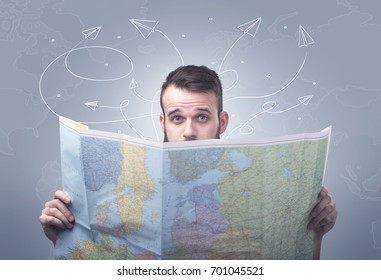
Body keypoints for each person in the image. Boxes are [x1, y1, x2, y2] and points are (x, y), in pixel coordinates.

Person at [40, 65, 338, 259]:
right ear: (163, 122)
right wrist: (65, 237)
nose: (189, 132)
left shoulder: (259, 181)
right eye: (177, 118)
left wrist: (313, 235)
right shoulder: (132, 182)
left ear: (221, 121)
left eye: (202, 117)